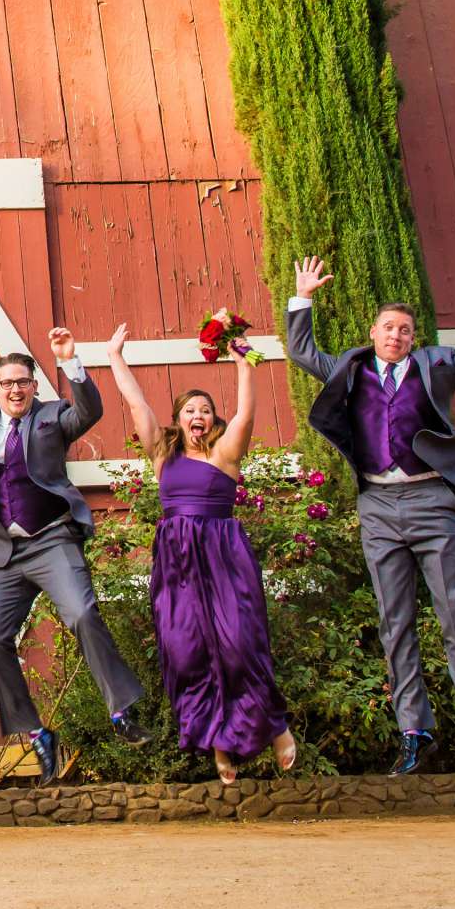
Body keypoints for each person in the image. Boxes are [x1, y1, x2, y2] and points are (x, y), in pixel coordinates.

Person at [285, 256, 455, 775]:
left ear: (414, 338)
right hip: (378, 506)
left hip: (431, 501)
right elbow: (301, 351)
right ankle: (415, 733)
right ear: (373, 332)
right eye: (389, 327)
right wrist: (302, 299)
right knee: (396, 625)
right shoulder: (350, 368)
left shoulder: (436, 366)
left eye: (405, 330)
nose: (396, 335)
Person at [0, 330, 148, 783]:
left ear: (34, 386)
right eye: (6, 383)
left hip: (50, 541)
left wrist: (71, 363)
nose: (15, 390)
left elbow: (90, 412)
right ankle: (35, 734)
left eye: (22, 382)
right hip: (3, 554)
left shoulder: (53, 417)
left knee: (81, 612)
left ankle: (120, 710)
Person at [101, 324, 294, 785]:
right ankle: (219, 742)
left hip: (224, 559)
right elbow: (137, 405)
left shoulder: (225, 454)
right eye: (190, 410)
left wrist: (243, 362)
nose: (198, 415)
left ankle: (276, 728)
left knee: (238, 647)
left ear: (213, 420)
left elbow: (246, 414)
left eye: (205, 410)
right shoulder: (163, 455)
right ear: (179, 419)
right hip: (177, 563)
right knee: (188, 653)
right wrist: (114, 357)